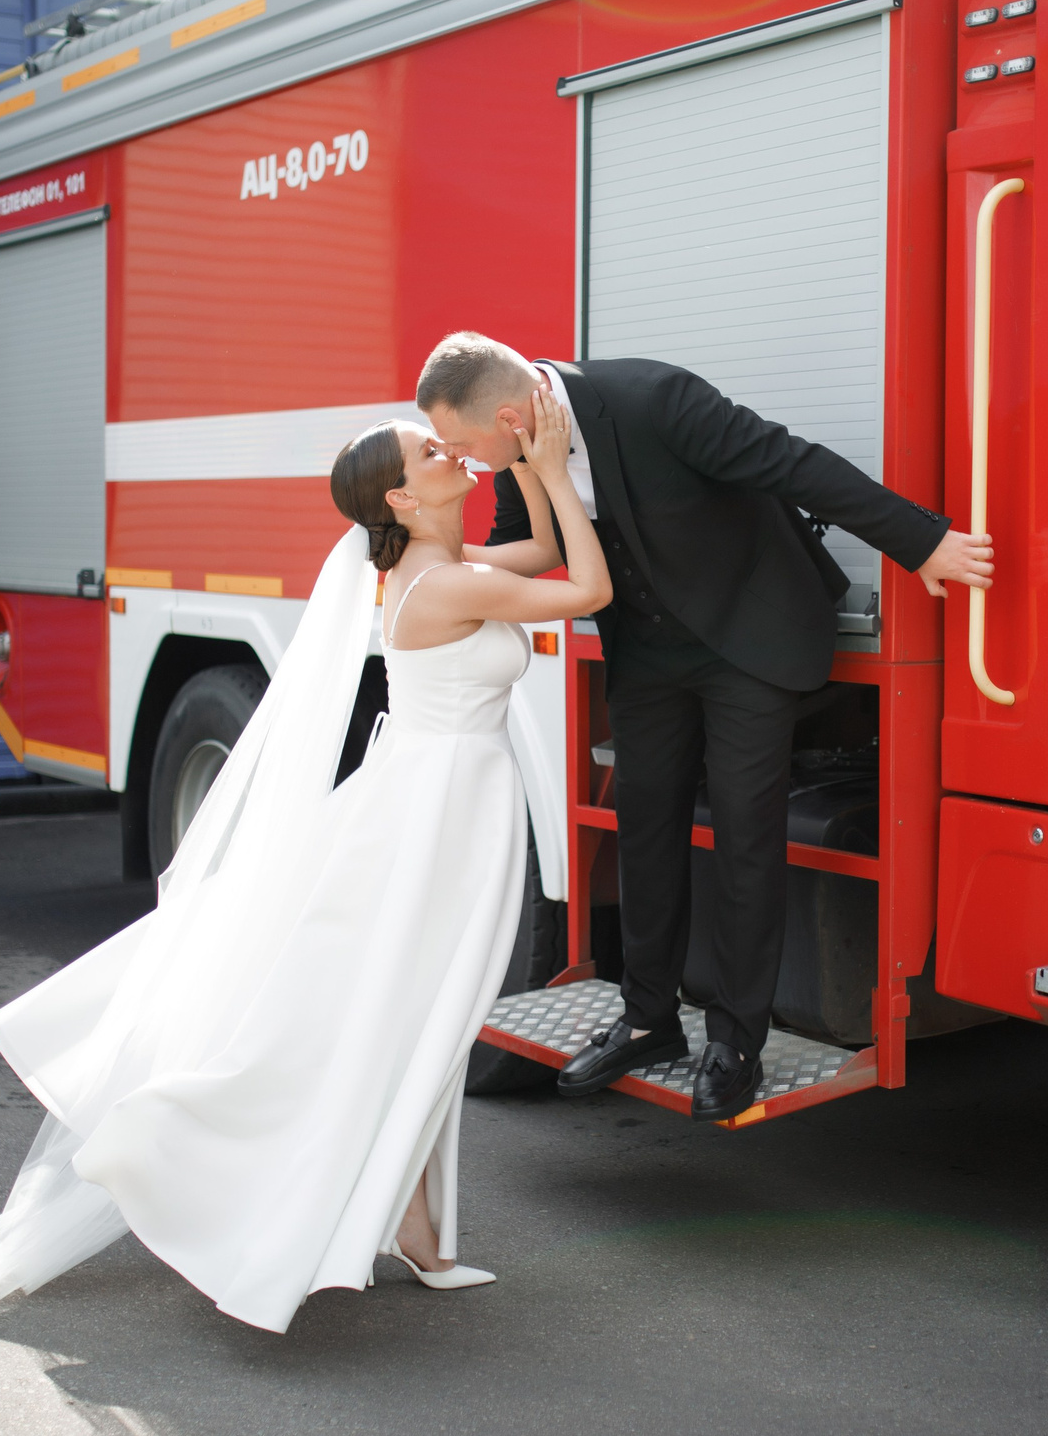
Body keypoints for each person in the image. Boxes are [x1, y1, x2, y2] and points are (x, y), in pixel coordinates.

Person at [0, 394, 610, 1330]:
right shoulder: (445, 586)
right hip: (433, 820)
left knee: (421, 1017)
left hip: (447, 809)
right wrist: (549, 469)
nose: (447, 452)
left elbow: (548, 555)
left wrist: (522, 457)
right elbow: (588, 589)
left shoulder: (448, 565)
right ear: (400, 499)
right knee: (413, 1016)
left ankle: (420, 1232)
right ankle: (177, 1142)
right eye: (431, 451)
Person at [416, 333, 994, 1124]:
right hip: (647, 647)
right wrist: (431, 560)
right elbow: (534, 542)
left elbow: (796, 464)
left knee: (745, 830)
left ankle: (735, 1040)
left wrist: (922, 540)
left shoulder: (655, 398)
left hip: (747, 636)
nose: (463, 458)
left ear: (510, 415)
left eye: (462, 443)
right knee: (645, 822)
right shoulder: (519, 447)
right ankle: (649, 1020)